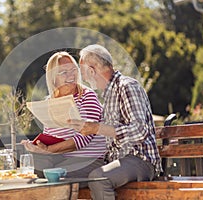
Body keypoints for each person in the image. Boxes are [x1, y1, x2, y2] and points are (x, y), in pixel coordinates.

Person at [67, 44, 162, 200]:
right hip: (114, 159)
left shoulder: (127, 86)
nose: (82, 79)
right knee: (61, 175)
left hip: (139, 160)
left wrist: (97, 128)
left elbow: (139, 130)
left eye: (83, 72)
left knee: (98, 179)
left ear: (92, 70)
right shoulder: (108, 95)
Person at [22, 51, 106, 183]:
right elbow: (50, 137)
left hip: (89, 160)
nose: (71, 75)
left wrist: (48, 150)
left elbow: (84, 138)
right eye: (64, 72)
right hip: (62, 160)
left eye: (73, 70)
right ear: (53, 77)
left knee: (55, 177)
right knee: (30, 175)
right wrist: (38, 146)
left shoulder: (87, 96)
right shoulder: (50, 101)